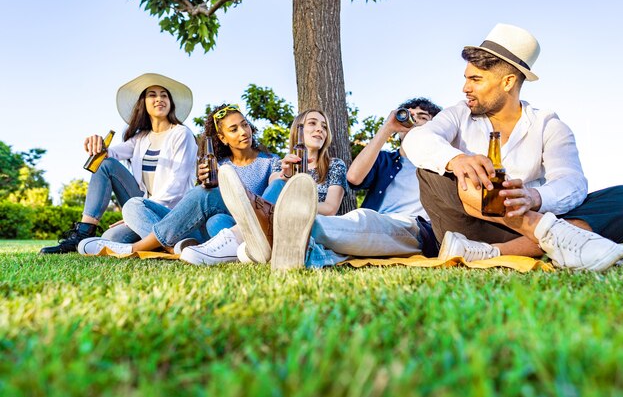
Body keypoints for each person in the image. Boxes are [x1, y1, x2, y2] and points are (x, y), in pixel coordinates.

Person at [402, 23, 623, 271]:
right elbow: (416, 139)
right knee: (434, 169)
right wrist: (456, 160)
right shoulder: (458, 114)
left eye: (475, 79)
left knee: (622, 196)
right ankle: (553, 235)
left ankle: (494, 253)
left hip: (506, 235)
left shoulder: (548, 125)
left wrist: (533, 197)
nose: (465, 88)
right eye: (466, 79)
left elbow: (571, 182)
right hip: (468, 225)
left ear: (508, 82)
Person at [217, 98, 442, 270]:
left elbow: (336, 200)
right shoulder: (385, 160)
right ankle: (278, 242)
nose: (413, 121)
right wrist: (387, 129)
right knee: (348, 231)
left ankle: (262, 233)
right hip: (372, 230)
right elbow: (355, 178)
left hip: (411, 227)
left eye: (421, 117)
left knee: (361, 219)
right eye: (408, 116)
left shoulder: (443, 162)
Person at [77, 103, 281, 256]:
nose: (244, 132)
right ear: (222, 138)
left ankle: (136, 249)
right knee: (132, 207)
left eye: (244, 125)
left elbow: (267, 202)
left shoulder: (271, 162)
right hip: (198, 231)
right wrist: (207, 183)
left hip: (236, 226)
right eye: (234, 129)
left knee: (213, 216)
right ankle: (176, 249)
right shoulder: (217, 164)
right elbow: (197, 208)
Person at [39, 73, 197, 254]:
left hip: (169, 211)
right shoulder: (140, 139)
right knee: (109, 236)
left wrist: (137, 212)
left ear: (170, 103)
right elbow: (108, 155)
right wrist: (98, 143)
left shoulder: (181, 134)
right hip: (140, 206)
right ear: (143, 103)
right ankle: (84, 233)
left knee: (117, 236)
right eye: (152, 95)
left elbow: (176, 185)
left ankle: (168, 243)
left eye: (164, 95)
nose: (159, 99)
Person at [180, 109, 348, 265]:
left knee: (274, 198)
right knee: (216, 221)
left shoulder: (335, 165)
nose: (320, 129)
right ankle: (249, 245)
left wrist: (291, 207)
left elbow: (331, 208)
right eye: (313, 123)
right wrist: (286, 175)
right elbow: (274, 189)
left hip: (300, 223)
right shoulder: (282, 163)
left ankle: (239, 243)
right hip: (272, 223)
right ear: (298, 131)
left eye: (324, 127)